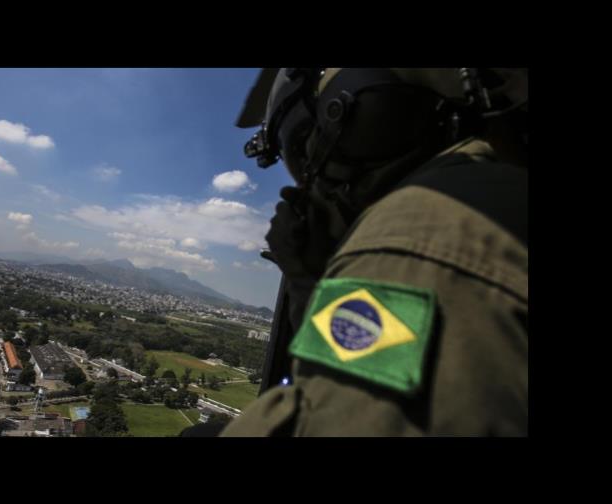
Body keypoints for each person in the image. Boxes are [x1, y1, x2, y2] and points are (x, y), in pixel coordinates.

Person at [218, 68, 528, 436]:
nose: (308, 180)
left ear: (353, 107)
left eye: (300, 144)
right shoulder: (485, 193)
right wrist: (308, 284)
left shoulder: (419, 223)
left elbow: (333, 423)